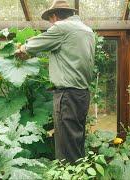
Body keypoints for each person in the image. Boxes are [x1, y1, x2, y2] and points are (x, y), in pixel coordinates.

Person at [15, 0, 95, 163]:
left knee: (66, 148)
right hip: (82, 95)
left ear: (54, 16)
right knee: (76, 143)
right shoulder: (88, 31)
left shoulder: (61, 28)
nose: (50, 24)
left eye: (50, 20)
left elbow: (34, 45)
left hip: (67, 95)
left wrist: (22, 49)